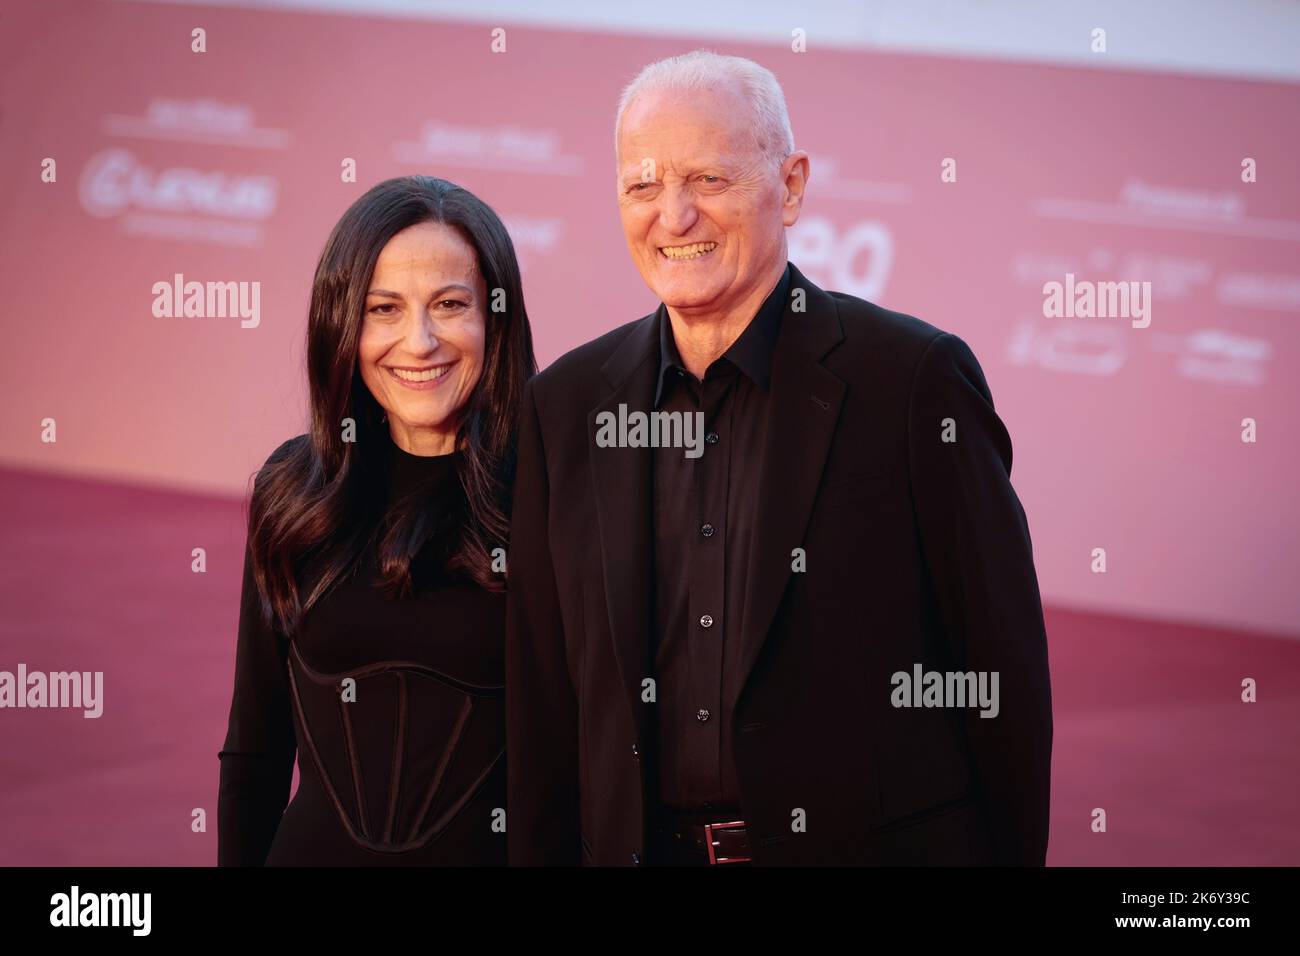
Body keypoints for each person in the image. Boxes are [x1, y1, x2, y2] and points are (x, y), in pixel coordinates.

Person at [506, 51, 1052, 866]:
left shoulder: (910, 383)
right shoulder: (566, 406)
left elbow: (999, 676)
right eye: (643, 185)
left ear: (791, 185)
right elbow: (546, 711)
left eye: (710, 180)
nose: (674, 216)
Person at [218, 176, 535, 865]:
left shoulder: (552, 498)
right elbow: (254, 753)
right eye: (382, 309)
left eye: (450, 305)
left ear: (496, 319)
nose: (418, 342)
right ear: (343, 327)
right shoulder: (297, 491)